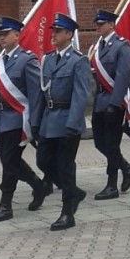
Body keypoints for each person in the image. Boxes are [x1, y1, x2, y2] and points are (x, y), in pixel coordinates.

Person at [0, 16, 51, 223]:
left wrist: (35, 122)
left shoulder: (27, 60)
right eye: (0, 34)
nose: (2, 38)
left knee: (10, 163)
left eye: (6, 34)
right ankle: (38, 186)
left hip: (19, 119)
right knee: (9, 160)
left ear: (17, 35)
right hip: (3, 118)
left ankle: (6, 204)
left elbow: (35, 94)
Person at [36, 13, 92, 231]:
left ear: (69, 34)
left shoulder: (78, 60)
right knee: (43, 161)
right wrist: (36, 121)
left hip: (68, 120)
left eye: (58, 31)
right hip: (49, 121)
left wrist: (73, 122)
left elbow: (81, 95)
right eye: (53, 31)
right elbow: (42, 94)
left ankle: (67, 212)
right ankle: (74, 192)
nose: (54, 34)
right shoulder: (48, 59)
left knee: (65, 167)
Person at [89, 8, 130, 200]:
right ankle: (125, 166)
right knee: (100, 142)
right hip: (100, 101)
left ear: (111, 25)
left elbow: (123, 76)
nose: (98, 27)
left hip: (113, 102)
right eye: (97, 24)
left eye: (102, 24)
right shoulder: (96, 47)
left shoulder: (121, 46)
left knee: (112, 143)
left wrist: (115, 104)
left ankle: (111, 184)